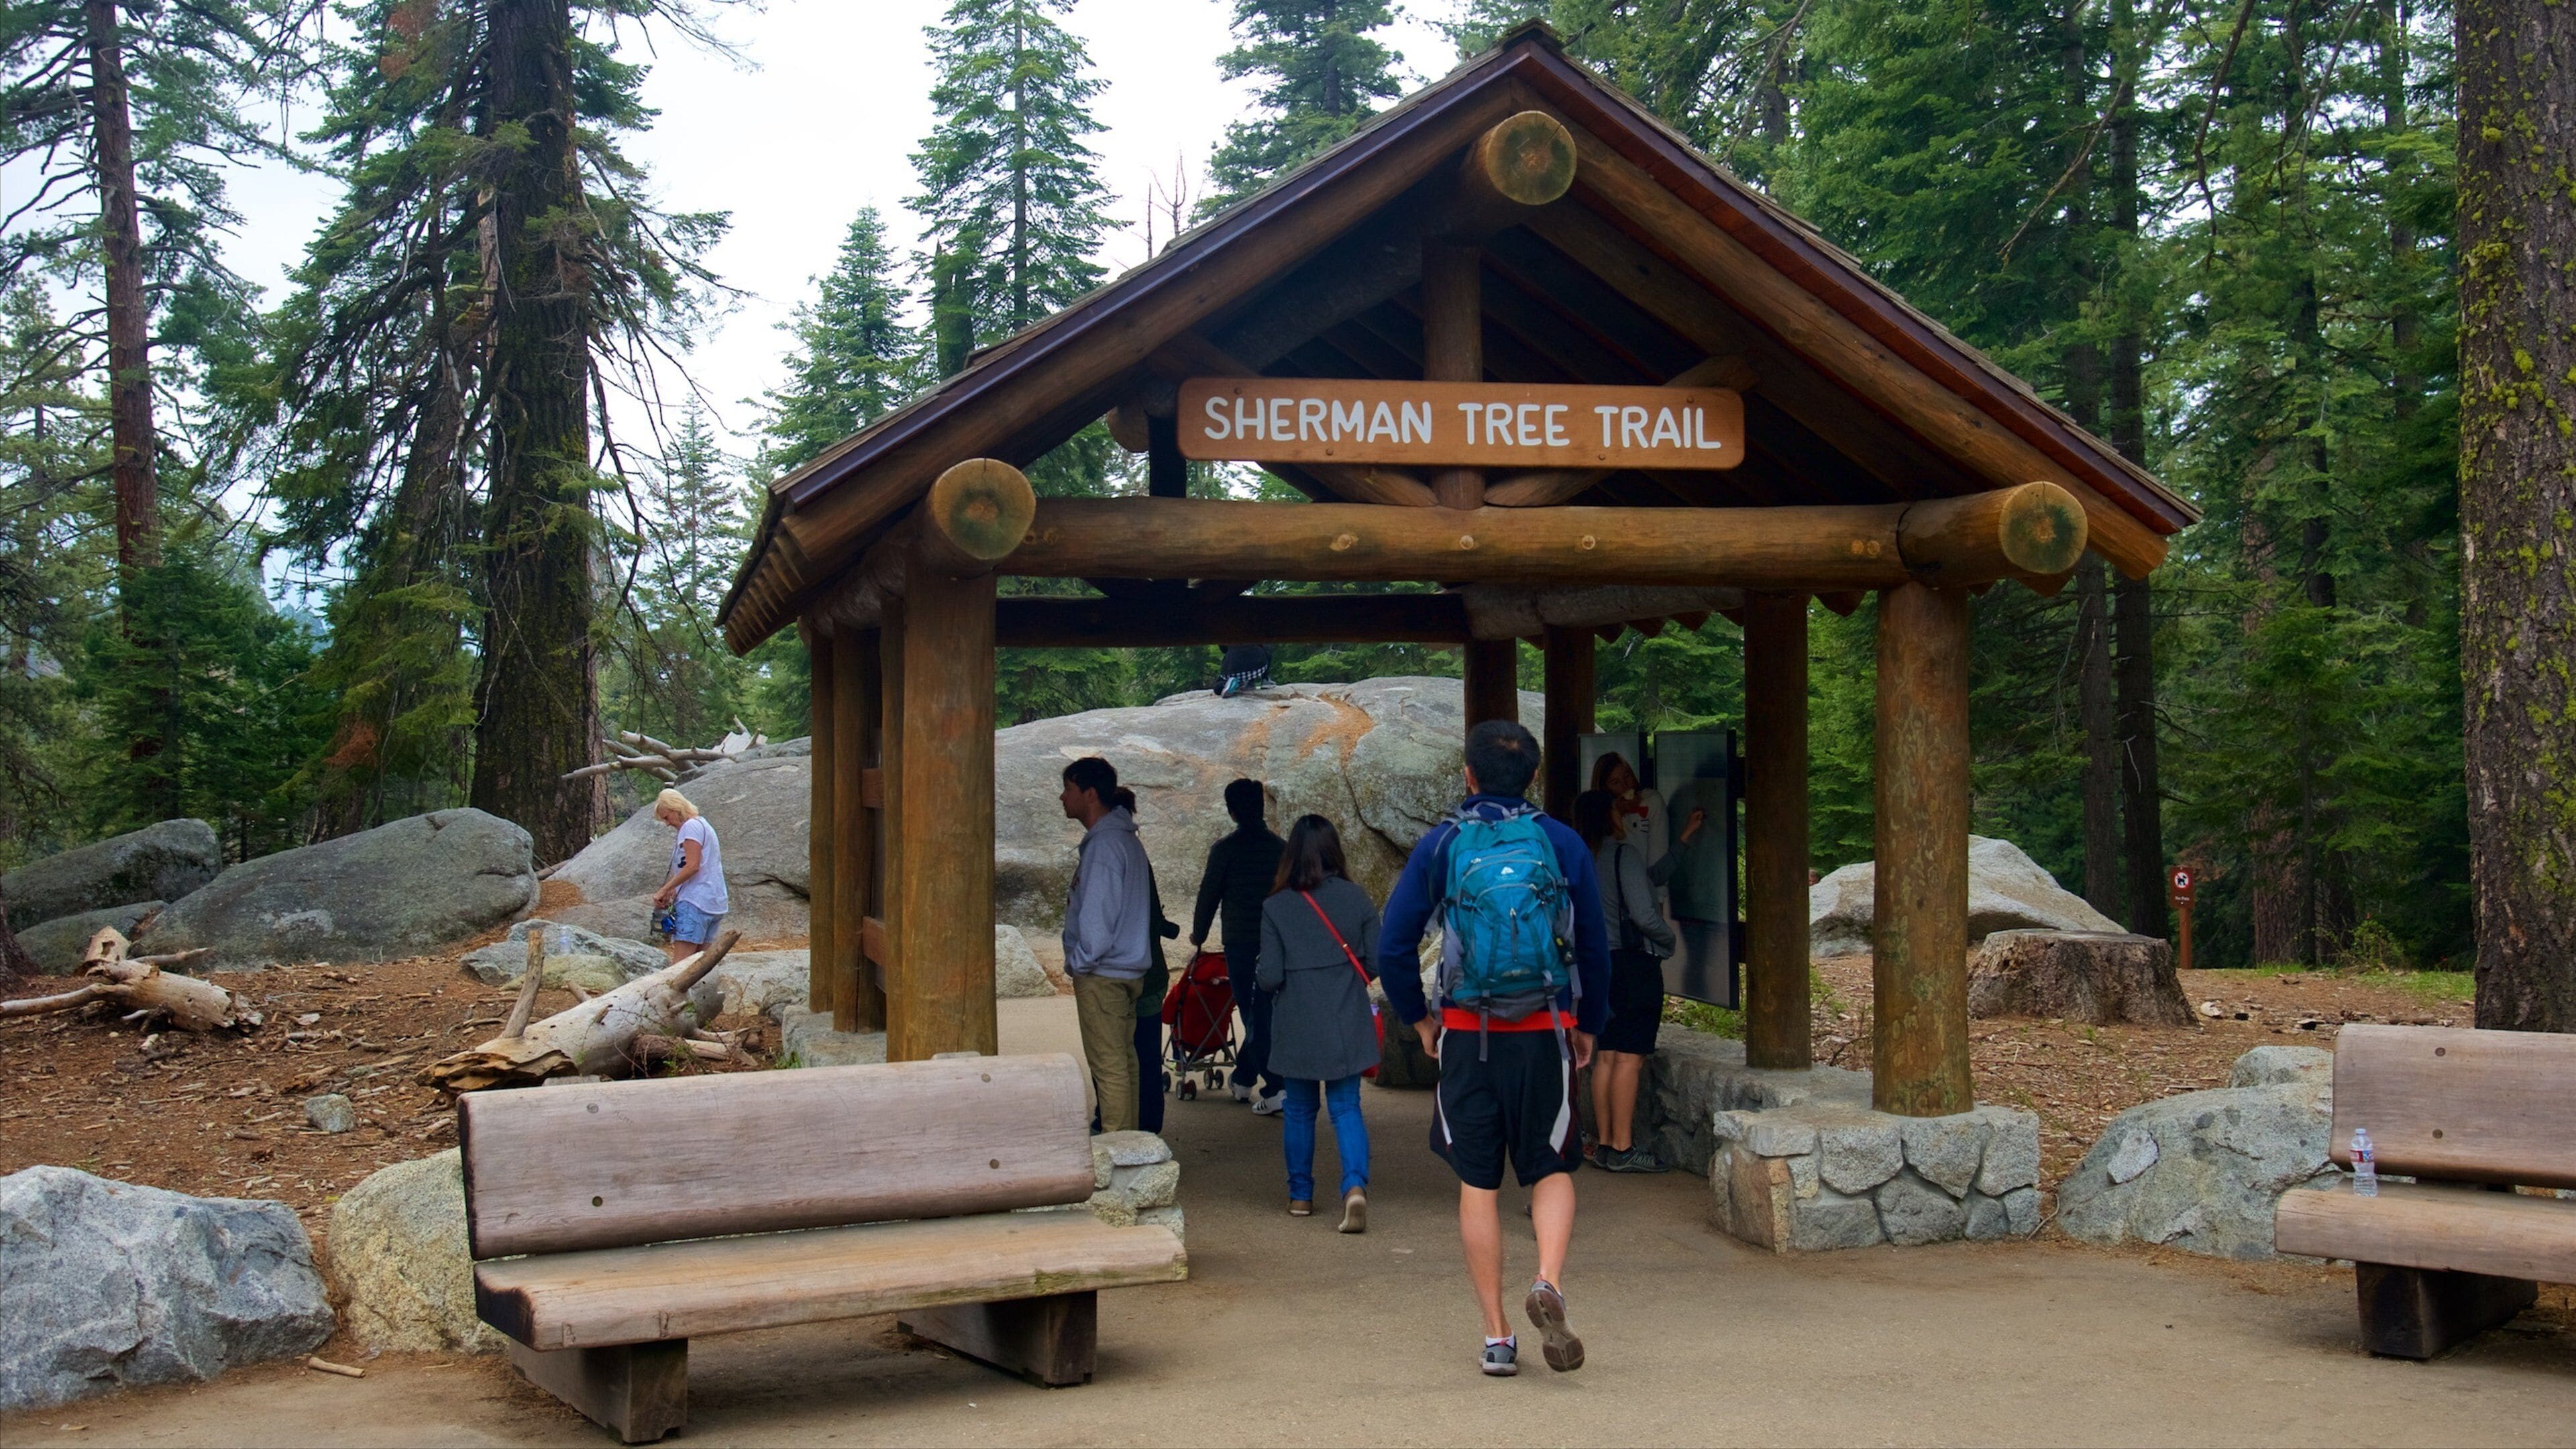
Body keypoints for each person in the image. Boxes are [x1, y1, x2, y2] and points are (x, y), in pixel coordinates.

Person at [1378, 720, 1611, 1379]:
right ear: (1533, 777)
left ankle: (1498, 1338)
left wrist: (1420, 1021)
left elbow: (1394, 947)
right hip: (1545, 1032)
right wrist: (1587, 1021)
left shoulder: (1443, 845)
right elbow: (1593, 943)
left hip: (1467, 1035)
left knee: (1478, 1183)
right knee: (1552, 1166)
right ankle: (1548, 1279)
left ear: (1468, 777)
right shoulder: (1560, 843)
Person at [1255, 814, 1381, 1230]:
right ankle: (1355, 1186)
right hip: (1345, 1017)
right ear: (1333, 850)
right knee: (1346, 1107)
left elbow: (1270, 975)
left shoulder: (1276, 906)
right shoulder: (1357, 898)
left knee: (1299, 1110)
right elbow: (1376, 962)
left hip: (1296, 1022)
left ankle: (1300, 1196)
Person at [1573, 789, 1676, 1173]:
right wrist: (1668, 941)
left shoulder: (1581, 858)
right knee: (1631, 1059)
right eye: (1618, 809)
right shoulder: (1623, 855)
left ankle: (1603, 1144)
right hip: (1633, 966)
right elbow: (1644, 915)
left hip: (1597, 967)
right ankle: (1623, 1146)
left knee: (1607, 1055)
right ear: (1609, 816)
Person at [1061, 757, 1155, 1134]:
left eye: (1068, 788)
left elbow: (1098, 920)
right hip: (1126, 971)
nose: (1062, 797)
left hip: (1104, 973)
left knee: (1109, 1066)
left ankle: (1117, 1150)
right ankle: (1129, 1144)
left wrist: (1079, 963)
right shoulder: (1124, 840)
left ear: (1090, 794)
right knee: (1124, 1063)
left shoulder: (1104, 847)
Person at [1191, 778, 1287, 1114]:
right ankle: (1244, 1078)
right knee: (1266, 1014)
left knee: (1254, 1016)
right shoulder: (1281, 848)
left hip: (1241, 942)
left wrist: (1198, 934)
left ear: (1232, 812)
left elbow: (1209, 895)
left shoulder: (1225, 850)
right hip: (1278, 942)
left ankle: (1277, 1086)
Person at [1116, 786, 1179, 1136]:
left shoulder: (1118, 852)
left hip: (1130, 970)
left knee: (1119, 1054)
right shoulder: (1139, 855)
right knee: (1146, 1053)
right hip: (1152, 968)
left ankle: (1120, 1122)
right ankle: (1149, 1124)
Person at [649, 789, 727, 965]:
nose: (667, 823)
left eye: (667, 817)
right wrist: (675, 891)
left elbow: (692, 866)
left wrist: (665, 889)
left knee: (681, 967)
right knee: (701, 965)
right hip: (713, 902)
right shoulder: (703, 824)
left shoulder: (689, 827)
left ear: (676, 809)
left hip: (695, 902)